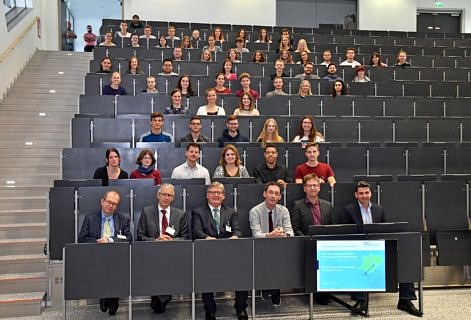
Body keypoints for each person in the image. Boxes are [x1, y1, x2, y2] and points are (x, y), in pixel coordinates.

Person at [339, 181, 423, 317]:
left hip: (379, 247)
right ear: (356, 195)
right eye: (361, 193)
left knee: (404, 261)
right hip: (359, 248)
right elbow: (347, 233)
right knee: (359, 261)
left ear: (371, 193)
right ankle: (361, 301)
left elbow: (385, 230)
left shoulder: (379, 209)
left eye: (367, 192)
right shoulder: (348, 210)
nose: (364, 195)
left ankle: (405, 301)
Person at [191, 182, 248, 320]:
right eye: (212, 192)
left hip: (229, 252)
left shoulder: (230, 211)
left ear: (224, 196)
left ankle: (241, 307)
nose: (215, 195)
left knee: (243, 272)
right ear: (207, 195)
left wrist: (235, 236)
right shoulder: (198, 212)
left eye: (219, 192)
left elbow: (237, 230)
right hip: (207, 253)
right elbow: (196, 231)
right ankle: (210, 309)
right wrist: (207, 237)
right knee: (205, 276)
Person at [78, 190, 132, 316]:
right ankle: (103, 295)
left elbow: (128, 238)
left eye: (114, 203)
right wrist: (99, 242)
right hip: (96, 256)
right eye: (108, 202)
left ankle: (113, 298)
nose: (110, 205)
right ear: (102, 202)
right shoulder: (90, 218)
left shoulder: (123, 220)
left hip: (117, 256)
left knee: (115, 271)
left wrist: (110, 240)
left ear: (116, 206)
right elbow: (81, 239)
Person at [137, 183, 188, 314]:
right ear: (158, 195)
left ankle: (162, 296)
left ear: (173, 198)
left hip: (173, 254)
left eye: (169, 195)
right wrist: (155, 240)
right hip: (152, 253)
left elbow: (185, 237)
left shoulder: (180, 214)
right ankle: (159, 296)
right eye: (163, 194)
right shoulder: (147, 211)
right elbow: (140, 235)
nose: (166, 197)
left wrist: (173, 240)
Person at [249, 181, 294, 307]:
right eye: (270, 192)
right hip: (260, 247)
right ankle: (266, 287)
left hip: (279, 247)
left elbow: (290, 232)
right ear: (264, 194)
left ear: (280, 197)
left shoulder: (283, 210)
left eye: (276, 194)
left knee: (279, 257)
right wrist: (269, 235)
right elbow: (256, 234)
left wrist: (282, 234)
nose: (273, 196)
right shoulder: (255, 211)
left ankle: (275, 290)